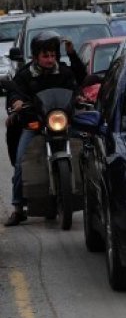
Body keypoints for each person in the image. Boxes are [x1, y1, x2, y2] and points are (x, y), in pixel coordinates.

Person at [5, 31, 86, 227]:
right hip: (36, 124)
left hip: (61, 121)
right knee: (20, 161)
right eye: (45, 56)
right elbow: (14, 92)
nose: (50, 59)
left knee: (88, 150)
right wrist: (16, 102)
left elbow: (80, 80)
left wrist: (78, 97)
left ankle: (93, 196)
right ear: (35, 57)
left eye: (52, 55)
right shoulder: (25, 75)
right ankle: (18, 208)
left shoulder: (64, 72)